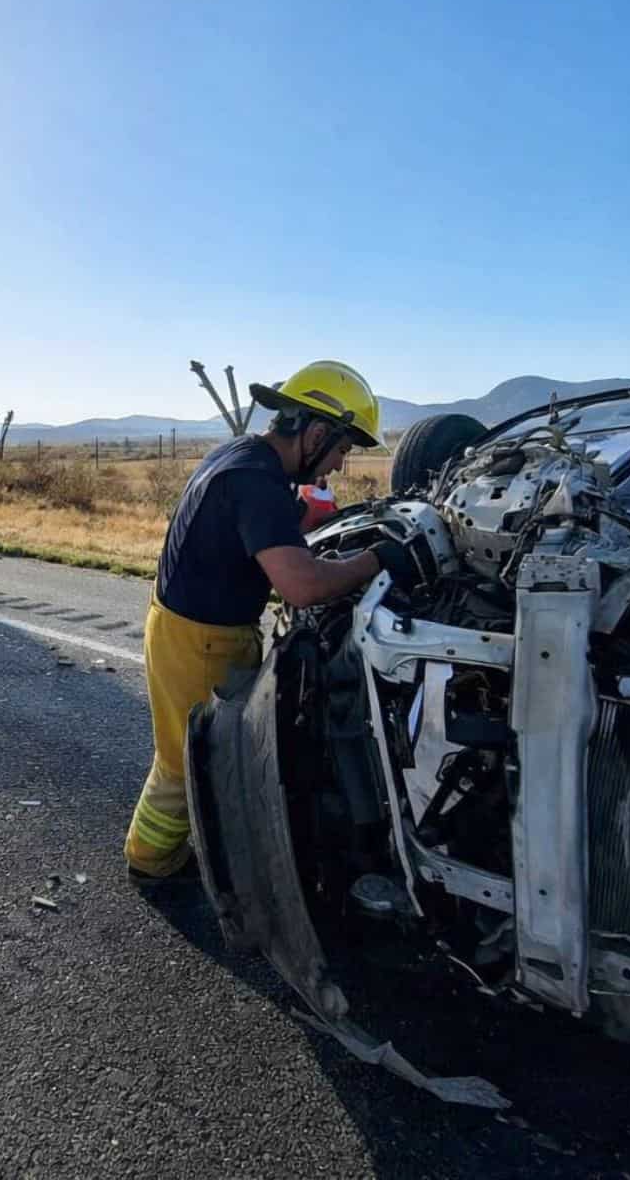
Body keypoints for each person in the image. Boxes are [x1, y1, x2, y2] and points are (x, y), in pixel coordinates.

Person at [123, 360, 430, 883]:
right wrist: (377, 560)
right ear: (314, 433)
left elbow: (266, 530)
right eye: (340, 449)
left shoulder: (245, 459)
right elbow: (302, 585)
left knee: (199, 753)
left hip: (190, 628)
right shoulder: (255, 481)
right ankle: (151, 861)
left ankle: (171, 852)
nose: (338, 465)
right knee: (187, 762)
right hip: (199, 641)